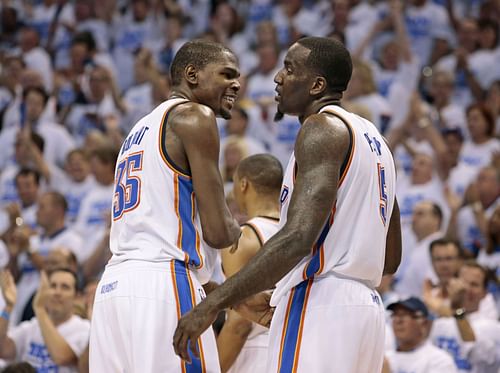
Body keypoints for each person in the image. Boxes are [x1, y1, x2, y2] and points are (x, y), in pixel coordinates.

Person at [174, 36, 402, 372]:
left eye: (290, 69)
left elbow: (298, 237)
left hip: (320, 304)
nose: (278, 78)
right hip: (367, 311)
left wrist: (215, 302)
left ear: (317, 85)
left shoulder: (322, 128)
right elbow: (391, 259)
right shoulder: (378, 144)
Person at [89, 39, 242, 372]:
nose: (237, 83)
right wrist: (247, 229)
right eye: (226, 74)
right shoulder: (195, 115)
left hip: (113, 288)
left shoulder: (138, 129)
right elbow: (219, 231)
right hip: (162, 282)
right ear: (192, 74)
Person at [217, 154, 282, 373]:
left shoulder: (245, 238)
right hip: (296, 348)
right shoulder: (300, 232)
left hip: (256, 354)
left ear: (243, 184)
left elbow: (240, 323)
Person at [0, 268, 90, 372]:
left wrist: (40, 309)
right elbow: (3, 350)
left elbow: (62, 357)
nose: (57, 292)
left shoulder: (84, 329)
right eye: (52, 286)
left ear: (77, 296)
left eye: (65, 287)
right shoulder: (32, 326)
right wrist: (8, 307)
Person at [384, 297, 457, 373]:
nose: (398, 320)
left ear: (423, 323)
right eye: (395, 315)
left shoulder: (439, 360)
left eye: (404, 315)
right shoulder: (385, 359)